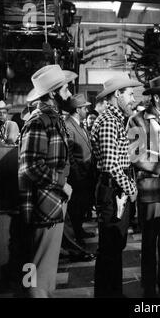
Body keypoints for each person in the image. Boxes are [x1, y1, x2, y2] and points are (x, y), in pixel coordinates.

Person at [18, 64, 76, 297]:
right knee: (38, 271)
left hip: (50, 203)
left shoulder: (50, 118)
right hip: (44, 205)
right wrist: (61, 183)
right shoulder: (39, 120)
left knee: (43, 269)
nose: (69, 93)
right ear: (53, 93)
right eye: (65, 89)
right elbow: (30, 166)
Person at [128, 74, 160, 297]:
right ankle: (149, 290)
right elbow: (134, 155)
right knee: (150, 243)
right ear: (156, 97)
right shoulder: (138, 120)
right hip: (151, 191)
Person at [91, 73, 142, 298]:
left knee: (113, 247)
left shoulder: (114, 119)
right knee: (110, 247)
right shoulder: (110, 121)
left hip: (114, 190)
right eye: (130, 94)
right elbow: (111, 165)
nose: (133, 98)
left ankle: (112, 293)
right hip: (113, 191)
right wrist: (130, 188)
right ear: (117, 95)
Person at [64, 93, 96, 243]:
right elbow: (69, 153)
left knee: (82, 205)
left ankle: (79, 230)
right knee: (76, 207)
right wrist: (77, 174)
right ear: (77, 110)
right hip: (78, 176)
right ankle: (76, 233)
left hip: (85, 173)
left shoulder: (79, 124)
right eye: (84, 108)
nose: (87, 111)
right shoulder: (69, 125)